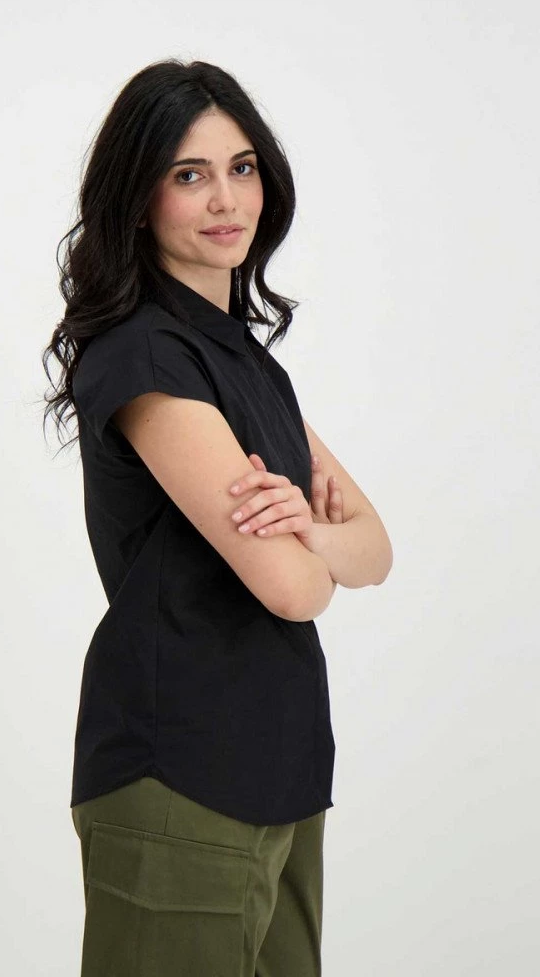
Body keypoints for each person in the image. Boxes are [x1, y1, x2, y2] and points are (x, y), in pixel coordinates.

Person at [41, 59, 393, 977]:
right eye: (188, 174)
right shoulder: (146, 359)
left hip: (282, 769)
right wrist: (316, 547)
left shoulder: (246, 361)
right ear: (138, 197)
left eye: (241, 167)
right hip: (180, 773)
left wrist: (310, 531)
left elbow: (376, 550)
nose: (225, 199)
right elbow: (293, 590)